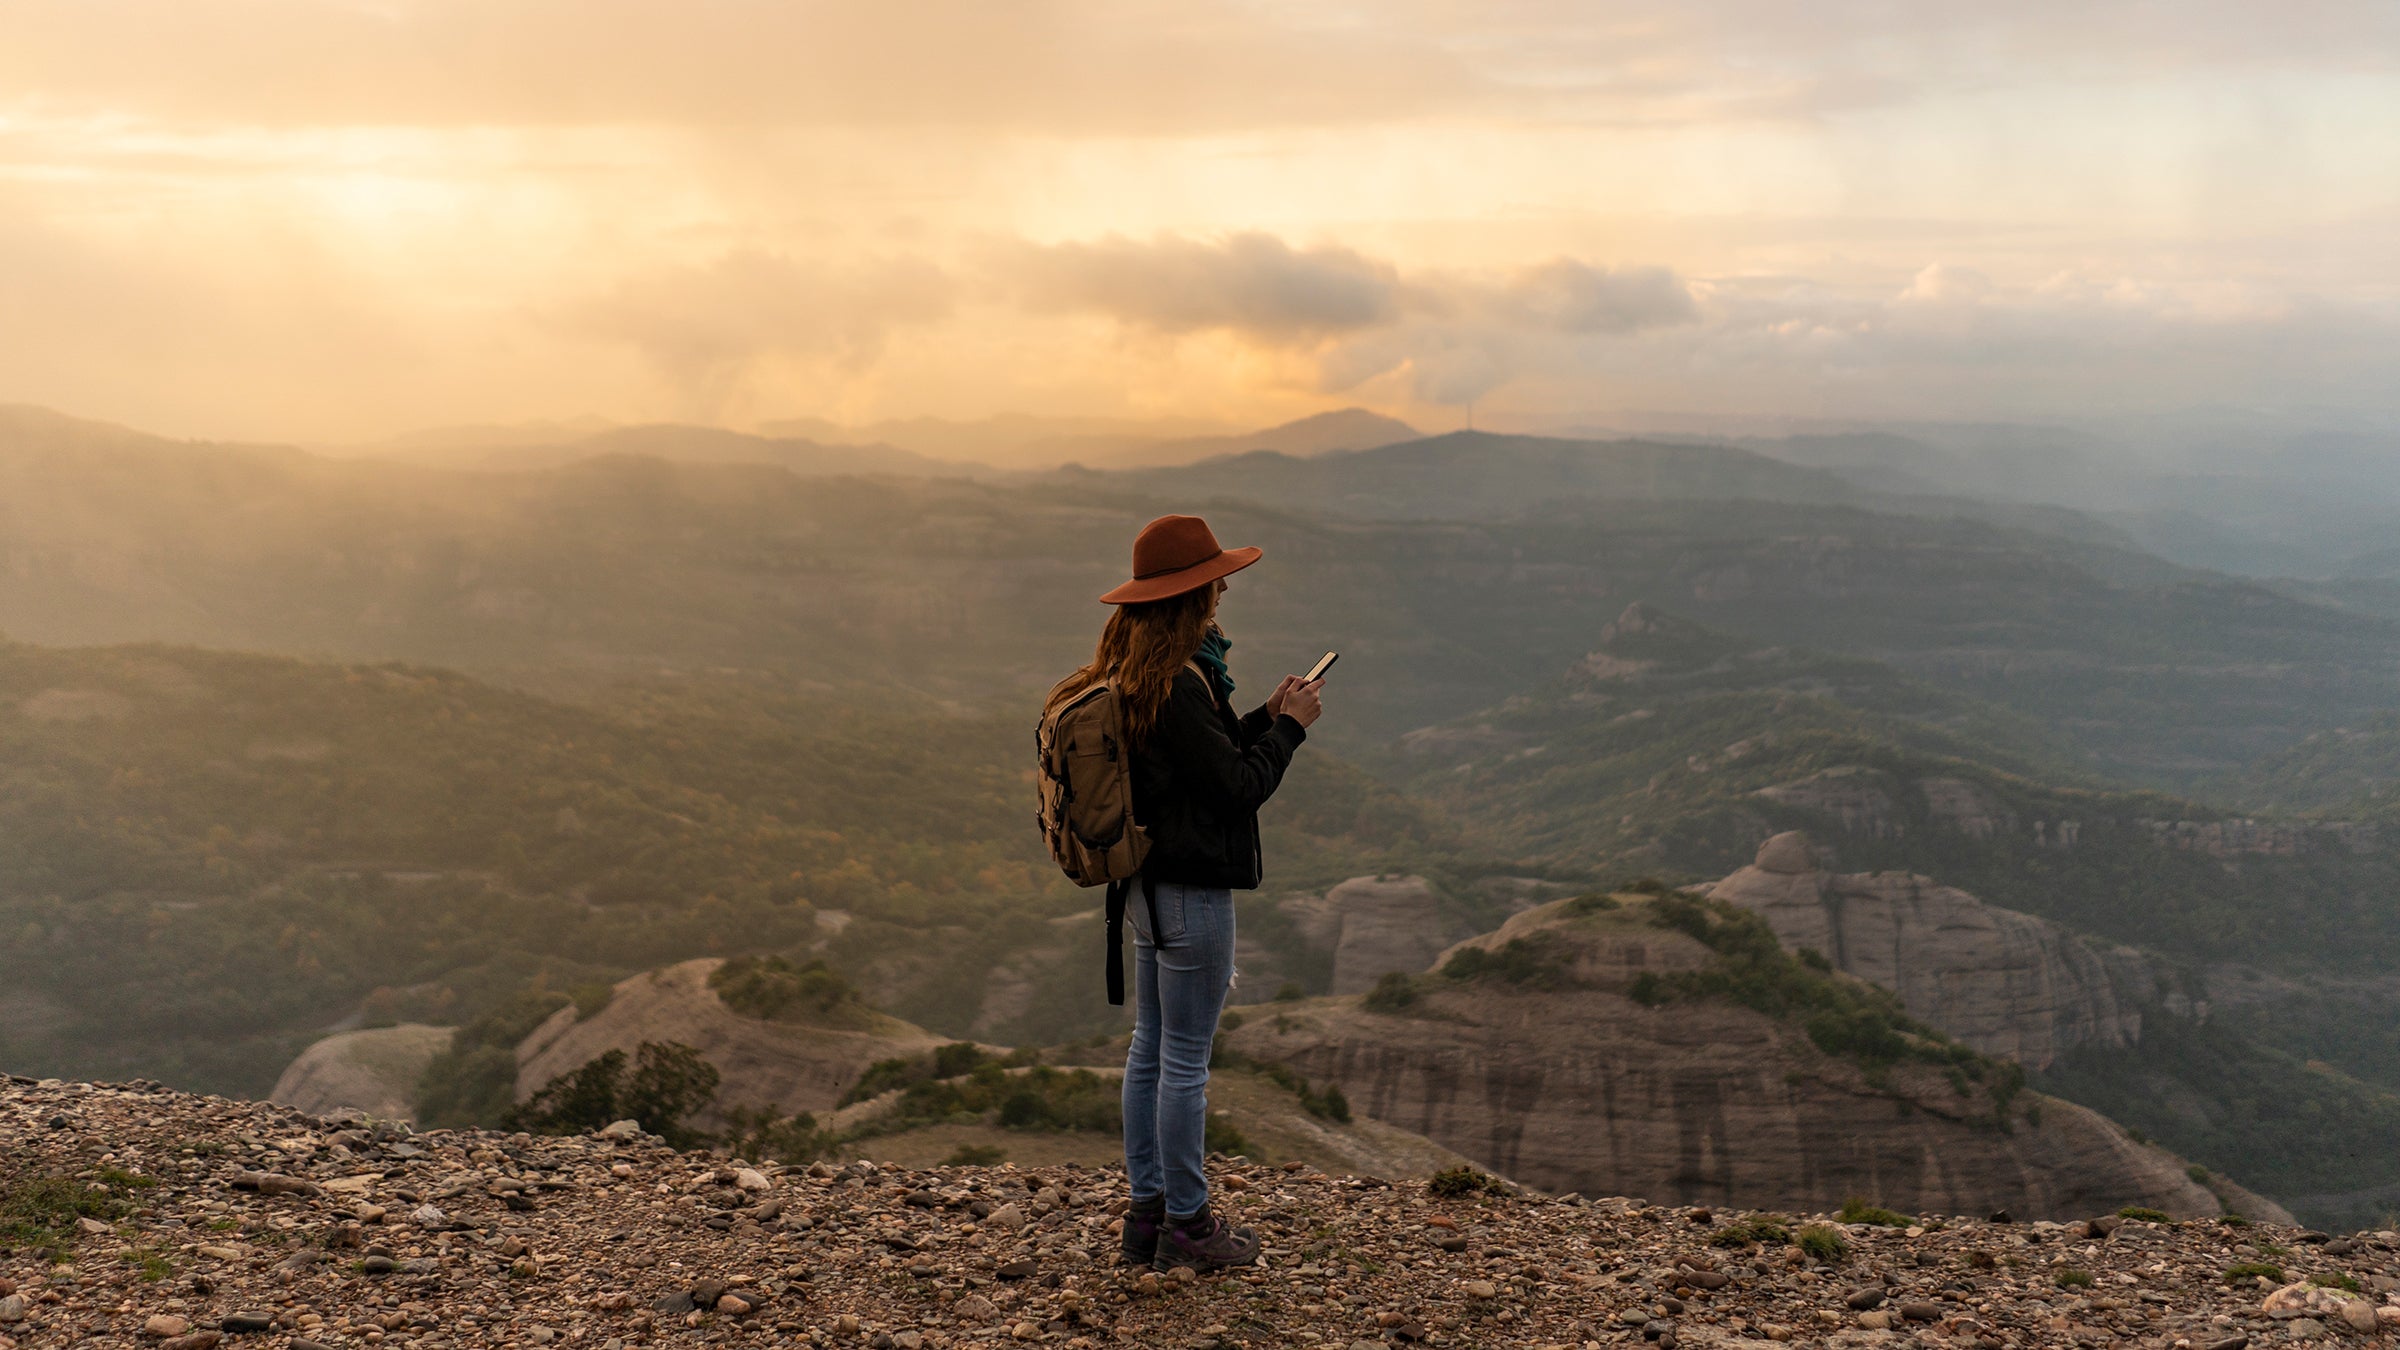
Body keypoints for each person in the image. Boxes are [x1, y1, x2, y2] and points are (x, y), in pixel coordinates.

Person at [1057, 513, 1324, 1273]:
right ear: (1191, 594)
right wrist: (1293, 731)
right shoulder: (1180, 679)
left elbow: (1197, 765)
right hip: (1190, 895)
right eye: (1215, 581)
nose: (1225, 589)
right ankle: (1189, 1226)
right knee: (1183, 1063)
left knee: (1150, 1053)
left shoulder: (1146, 672)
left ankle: (1147, 1217)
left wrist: (1263, 716)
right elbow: (1237, 788)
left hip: (1142, 890)